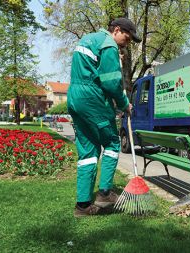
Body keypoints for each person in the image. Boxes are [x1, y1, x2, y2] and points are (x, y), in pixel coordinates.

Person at [67, 17, 141, 217]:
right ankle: (105, 194)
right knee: (112, 143)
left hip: (75, 98)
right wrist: (125, 104)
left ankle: (82, 206)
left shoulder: (88, 39)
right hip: (93, 100)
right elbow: (110, 83)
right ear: (116, 30)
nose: (127, 42)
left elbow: (92, 71)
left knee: (88, 152)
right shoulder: (108, 45)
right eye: (127, 37)